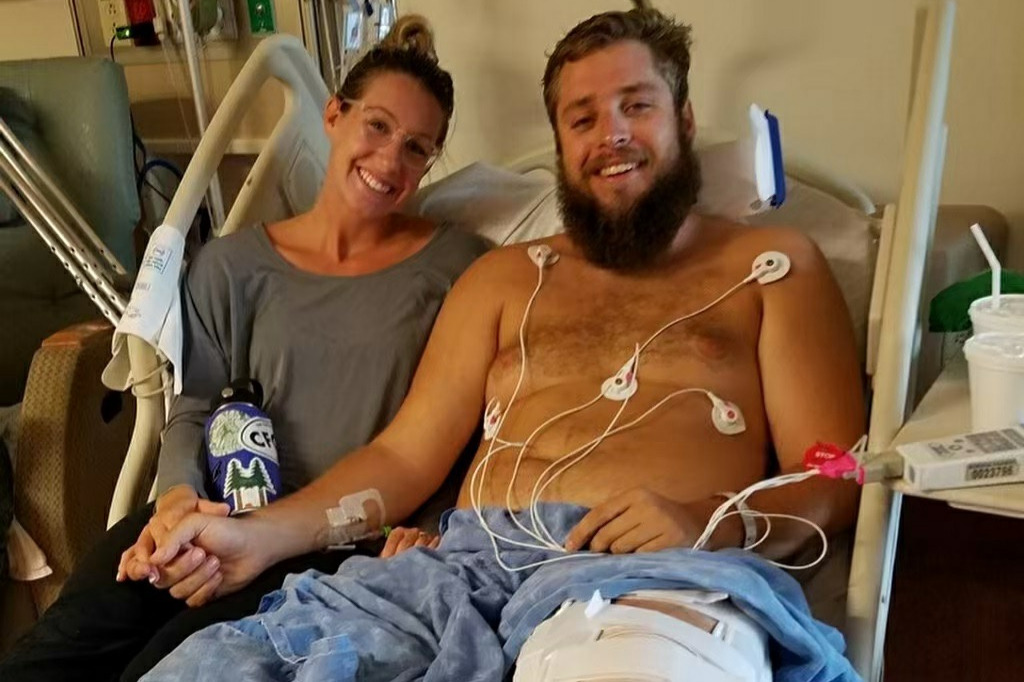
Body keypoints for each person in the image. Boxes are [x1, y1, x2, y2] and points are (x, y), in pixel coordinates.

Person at [140, 7, 866, 680]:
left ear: (684, 118)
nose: (611, 134)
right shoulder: (503, 279)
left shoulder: (771, 267)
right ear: (562, 145)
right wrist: (260, 537)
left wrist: (710, 520)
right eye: (582, 119)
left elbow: (835, 476)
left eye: (636, 106)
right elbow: (403, 458)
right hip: (453, 578)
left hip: (648, 576)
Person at [0, 16, 488, 682]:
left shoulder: (459, 268)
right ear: (334, 114)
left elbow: (465, 424)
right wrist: (176, 500)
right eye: (377, 126)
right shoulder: (232, 265)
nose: (390, 161)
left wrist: (431, 523)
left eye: (416, 148)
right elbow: (193, 404)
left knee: (162, 666)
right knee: (53, 654)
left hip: (338, 542)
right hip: (210, 511)